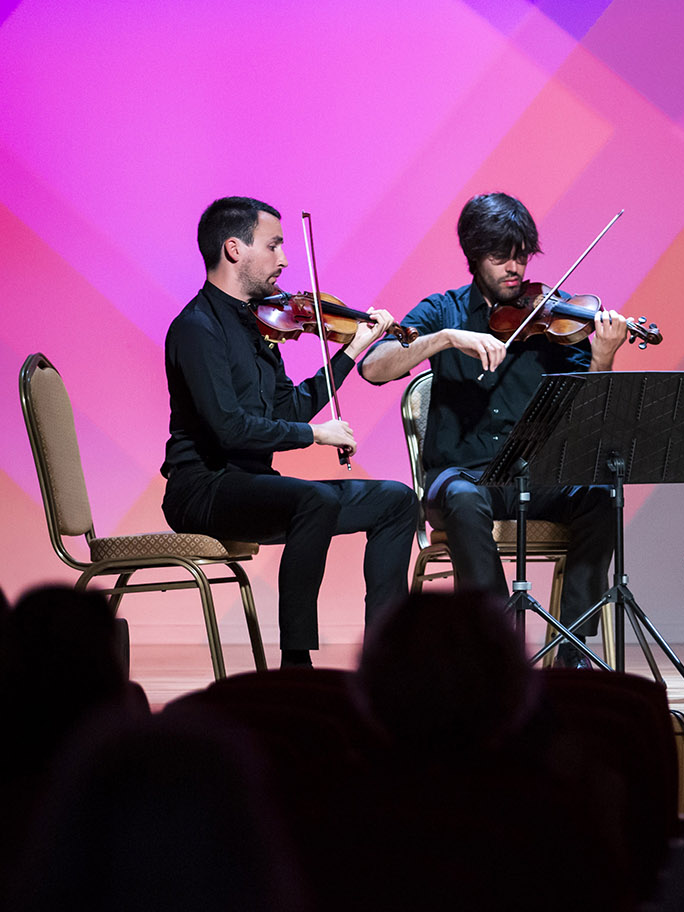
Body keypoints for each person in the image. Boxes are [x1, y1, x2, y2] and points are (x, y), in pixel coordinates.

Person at [358, 192, 630, 668]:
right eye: (501, 256)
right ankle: (495, 649)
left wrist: (603, 355)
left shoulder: (551, 317)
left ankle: (573, 649)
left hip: (534, 476)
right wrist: (442, 340)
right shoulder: (443, 311)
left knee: (603, 494)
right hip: (462, 478)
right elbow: (373, 367)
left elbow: (588, 409)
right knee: (465, 499)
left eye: (521, 256)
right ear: (474, 255)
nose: (514, 268)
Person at [162, 197, 418, 669]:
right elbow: (229, 428)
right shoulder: (197, 328)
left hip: (254, 487)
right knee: (313, 499)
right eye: (273, 245)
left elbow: (288, 406)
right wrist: (315, 435)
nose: (283, 259)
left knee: (397, 501)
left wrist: (350, 353)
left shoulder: (259, 326)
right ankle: (296, 664)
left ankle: (387, 661)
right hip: (203, 489)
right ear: (234, 249)